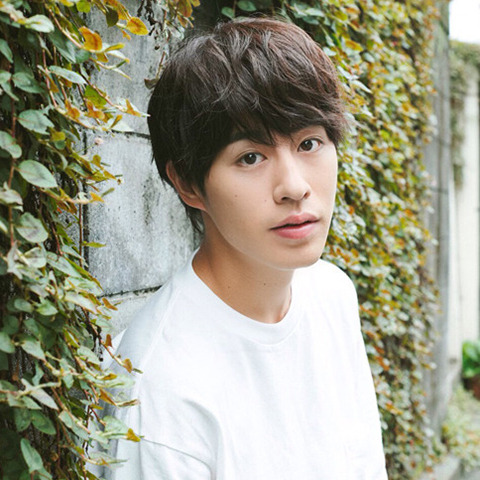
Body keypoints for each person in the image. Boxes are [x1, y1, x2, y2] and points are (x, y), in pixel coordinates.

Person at [100, 17, 388, 480]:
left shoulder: (332, 294)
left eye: (309, 143)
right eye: (250, 157)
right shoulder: (161, 388)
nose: (294, 186)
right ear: (188, 184)